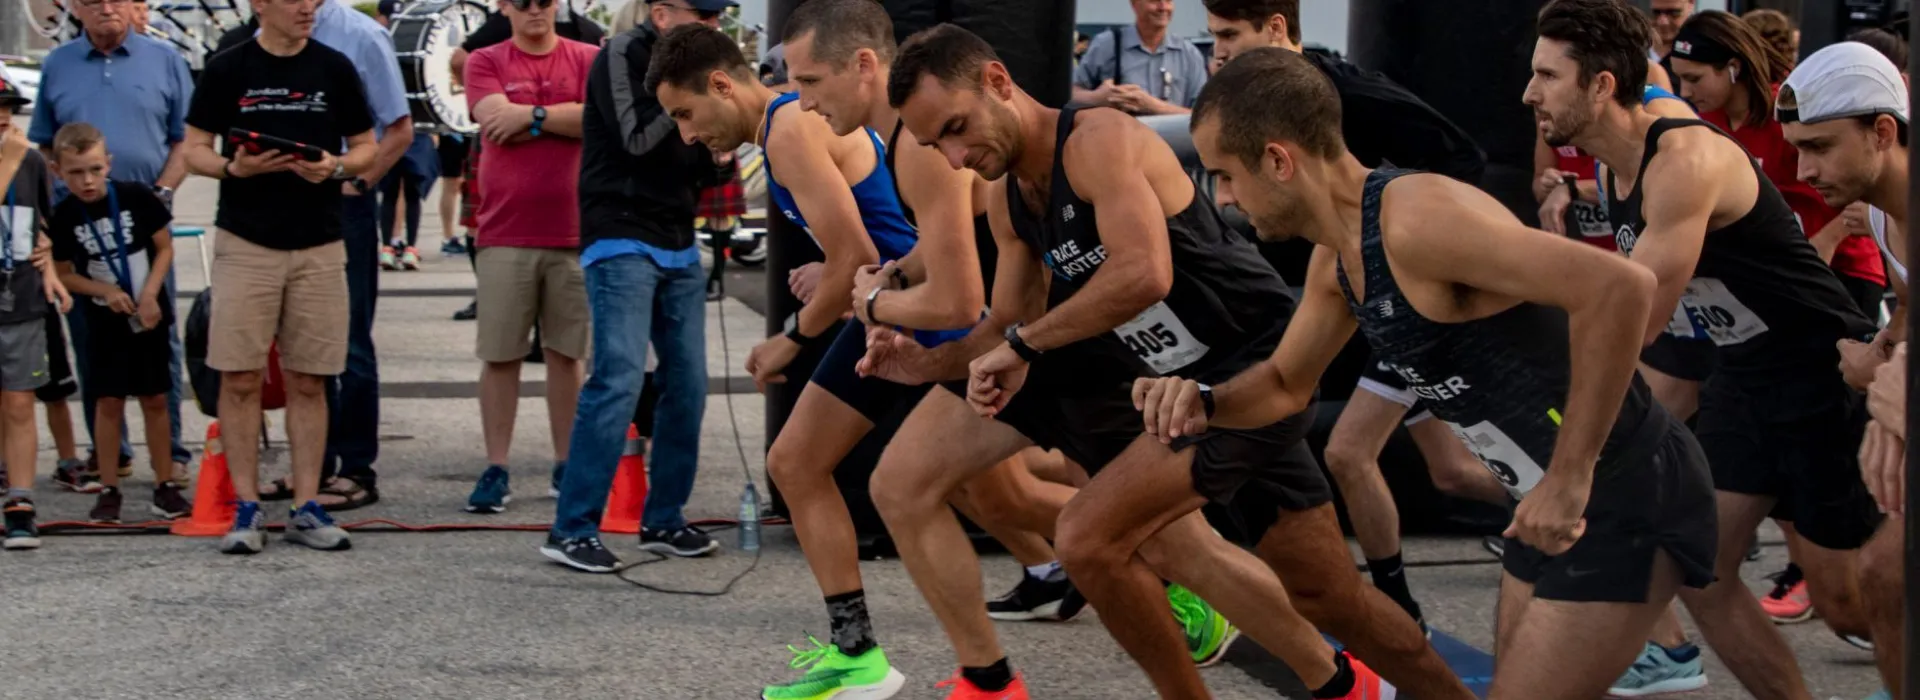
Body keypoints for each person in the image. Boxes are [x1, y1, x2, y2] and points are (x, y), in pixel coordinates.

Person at [880, 24, 1461, 700]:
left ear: (998, 83)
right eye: (933, 145)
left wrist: (1020, 348)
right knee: (1327, 595)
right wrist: (925, 365)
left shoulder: (1097, 141)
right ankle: (1363, 690)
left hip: (1252, 365)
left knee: (1088, 537)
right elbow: (1008, 321)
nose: (953, 157)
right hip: (1173, 390)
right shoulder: (1009, 197)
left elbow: (1143, 274)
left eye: (956, 127)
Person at [1169, 44, 1719, 699]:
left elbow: (1620, 289)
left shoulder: (1416, 220)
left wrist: (1571, 479)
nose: (1224, 199)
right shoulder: (1337, 258)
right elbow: (1286, 384)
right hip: (1544, 505)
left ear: (1279, 160)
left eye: (1225, 175)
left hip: (1623, 490)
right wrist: (1201, 401)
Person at [779, 6, 1248, 695]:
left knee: (1167, 539)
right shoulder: (912, 139)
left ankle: (1327, 668)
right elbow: (958, 264)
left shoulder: (919, 142)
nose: (803, 100)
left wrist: (876, 304)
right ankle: (993, 669)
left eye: (810, 80)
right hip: (1030, 329)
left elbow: (962, 301)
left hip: (1061, 335)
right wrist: (897, 278)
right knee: (960, 491)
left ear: (864, 67)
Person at [1528, 2, 1886, 698]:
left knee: (1851, 604)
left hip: (1823, 374)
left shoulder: (1685, 160)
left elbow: (1642, 322)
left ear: (1602, 86)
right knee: (1703, 566)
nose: (1529, 93)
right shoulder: (1610, 171)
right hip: (1744, 376)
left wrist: (1573, 467)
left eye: (1547, 75)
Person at [1202, 0, 1502, 629]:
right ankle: (1553, 512)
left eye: (1231, 34)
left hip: (1397, 296)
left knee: (1348, 453)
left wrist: (1392, 232)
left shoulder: (1345, 91)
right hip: (1340, 293)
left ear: (1277, 30)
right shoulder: (1254, 102)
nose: (1221, 49)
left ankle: (1397, 602)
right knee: (1444, 471)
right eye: (1213, 37)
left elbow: (1463, 158)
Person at [541, 0, 732, 573]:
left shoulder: (706, 64)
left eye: (719, 14)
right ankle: (571, 528)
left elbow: (709, 164)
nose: (714, 24)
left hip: (677, 234)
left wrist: (724, 139)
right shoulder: (623, 53)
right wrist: (701, 114)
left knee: (690, 383)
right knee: (618, 378)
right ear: (662, 13)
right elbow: (635, 138)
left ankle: (664, 518)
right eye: (703, 13)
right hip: (620, 230)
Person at [181, 0, 379, 554]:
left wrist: (336, 166)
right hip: (246, 243)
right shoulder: (229, 66)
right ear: (259, 5)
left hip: (319, 242)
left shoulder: (334, 67)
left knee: (311, 379)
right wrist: (231, 167)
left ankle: (306, 506)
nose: (307, 8)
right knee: (239, 377)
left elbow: (367, 146)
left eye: (313, 0)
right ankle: (246, 508)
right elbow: (193, 147)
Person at [215, 0, 417, 513]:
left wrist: (353, 180)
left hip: (336, 205)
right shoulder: (242, 43)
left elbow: (397, 129)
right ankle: (311, 471)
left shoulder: (360, 38)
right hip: (258, 220)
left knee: (345, 345)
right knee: (283, 357)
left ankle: (354, 468)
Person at [1777, 40, 1912, 700]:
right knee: (1885, 576)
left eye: (1821, 146)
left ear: (1882, 131)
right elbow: (1910, 311)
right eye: (1798, 147)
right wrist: (1882, 352)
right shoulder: (1886, 217)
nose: (1805, 169)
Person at [27, 0, 198, 491]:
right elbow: (43, 141)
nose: (106, 8)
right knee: (91, 340)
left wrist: (160, 195)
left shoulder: (164, 59)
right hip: (80, 225)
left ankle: (173, 454)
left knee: (155, 333)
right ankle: (111, 454)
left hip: (143, 223)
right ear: (76, 9)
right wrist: (58, 200)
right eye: (93, 1)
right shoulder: (58, 64)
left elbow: (185, 138)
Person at [458, 0, 599, 516]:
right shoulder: (485, 59)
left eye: (544, 1)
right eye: (523, 2)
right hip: (504, 231)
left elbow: (598, 120)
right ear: (504, 7)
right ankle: (496, 465)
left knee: (568, 356)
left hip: (574, 232)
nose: (535, 10)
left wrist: (531, 117)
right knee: (500, 355)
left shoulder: (588, 56)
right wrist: (559, 120)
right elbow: (492, 120)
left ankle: (566, 464)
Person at [46, 123, 189, 523]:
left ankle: (165, 484)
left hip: (148, 314)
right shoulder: (66, 215)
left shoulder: (136, 197)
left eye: (94, 169)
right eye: (75, 172)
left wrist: (150, 294)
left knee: (156, 398)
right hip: (104, 321)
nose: (87, 180)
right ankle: (109, 487)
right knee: (108, 401)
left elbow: (164, 248)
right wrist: (102, 291)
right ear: (58, 171)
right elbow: (63, 271)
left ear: (108, 164)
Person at [0, 76, 75, 551]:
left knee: (20, 401)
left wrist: (47, 264)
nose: (4, 118)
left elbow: (39, 223)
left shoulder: (28, 160)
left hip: (20, 298)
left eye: (8, 109)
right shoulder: (14, 157)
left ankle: (21, 499)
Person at [1072, 0, 1210, 116]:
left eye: (1168, 0)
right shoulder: (1107, 45)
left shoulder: (1189, 55)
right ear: (1134, 4)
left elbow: (1203, 118)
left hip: (1172, 147)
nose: (1163, 7)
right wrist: (1097, 98)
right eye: (1154, 0)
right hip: (1121, 143)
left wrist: (1153, 106)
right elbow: (1069, 95)